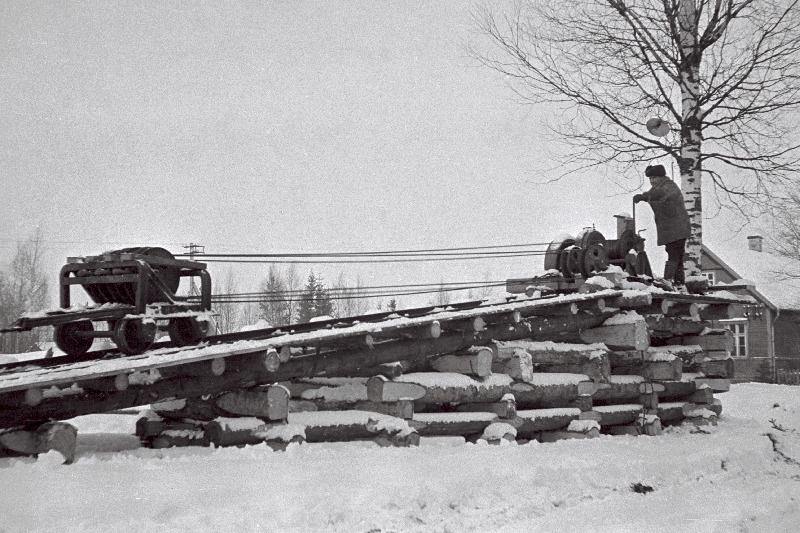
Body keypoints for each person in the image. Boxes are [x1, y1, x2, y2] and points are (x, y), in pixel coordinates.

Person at [633, 164, 691, 289]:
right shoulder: (659, 187)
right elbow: (654, 193)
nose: (652, 181)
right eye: (650, 178)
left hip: (677, 228)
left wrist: (644, 197)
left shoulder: (669, 186)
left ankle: (668, 280)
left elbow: (661, 193)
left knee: (674, 253)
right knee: (677, 255)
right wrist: (645, 196)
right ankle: (680, 284)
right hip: (673, 229)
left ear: (661, 177)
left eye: (654, 177)